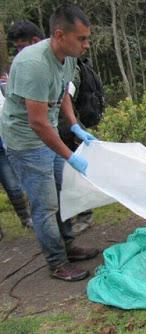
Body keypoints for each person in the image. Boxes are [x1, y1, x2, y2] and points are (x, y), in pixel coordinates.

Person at [0, 4, 99, 280]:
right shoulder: (33, 64)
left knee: (64, 190)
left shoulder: (67, 58)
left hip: (50, 134)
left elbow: (64, 93)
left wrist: (75, 126)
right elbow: (38, 122)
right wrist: (69, 154)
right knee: (45, 205)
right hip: (27, 143)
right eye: (81, 38)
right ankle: (57, 263)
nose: (86, 44)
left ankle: (69, 245)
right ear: (59, 34)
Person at [0, 21, 46, 239]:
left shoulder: (38, 65)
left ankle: (27, 218)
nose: (19, 52)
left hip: (11, 141)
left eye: (22, 46)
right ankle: (57, 258)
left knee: (15, 187)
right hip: (21, 141)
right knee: (45, 203)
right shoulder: (23, 66)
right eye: (16, 48)